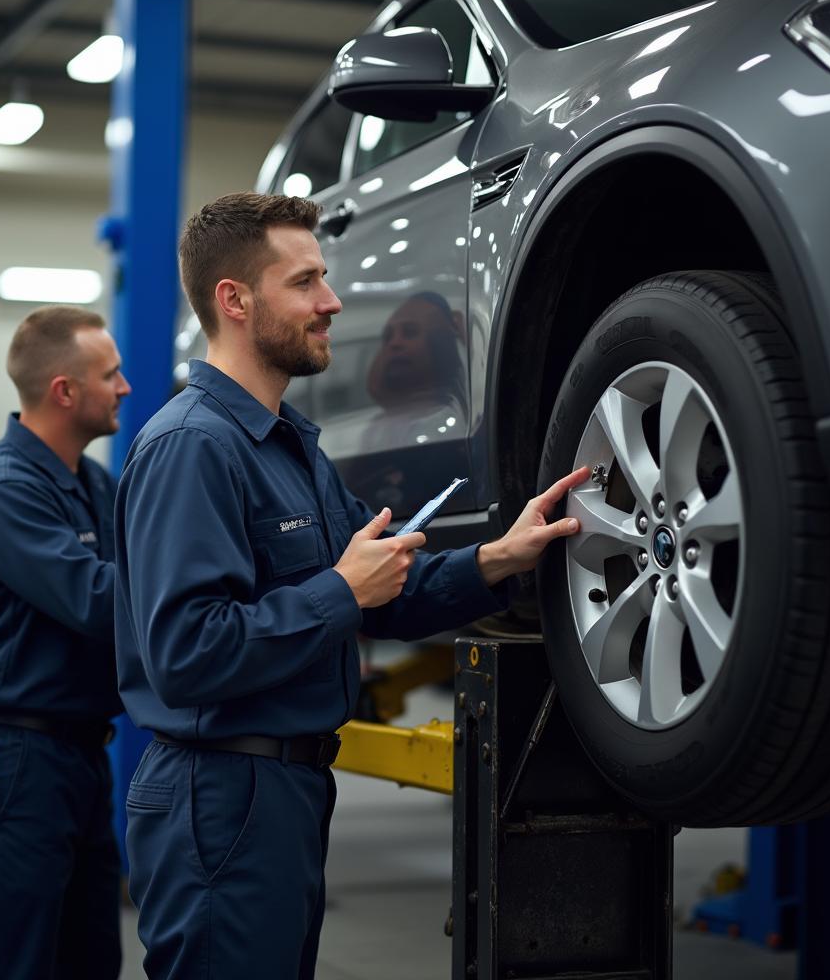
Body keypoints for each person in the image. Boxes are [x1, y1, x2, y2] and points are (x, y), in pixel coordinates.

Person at [114, 192, 588, 980]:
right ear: (234, 300)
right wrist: (339, 589)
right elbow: (187, 654)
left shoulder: (290, 448)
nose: (331, 302)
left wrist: (497, 560)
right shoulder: (192, 448)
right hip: (221, 797)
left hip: (284, 794)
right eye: (304, 282)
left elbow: (386, 590)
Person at [0, 305, 131, 980]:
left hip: (78, 751)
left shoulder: (93, 481)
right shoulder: (4, 489)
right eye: (111, 375)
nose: (126, 387)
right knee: (16, 963)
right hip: (16, 757)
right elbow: (99, 599)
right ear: (65, 391)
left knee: (90, 959)